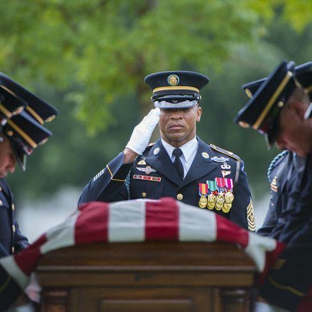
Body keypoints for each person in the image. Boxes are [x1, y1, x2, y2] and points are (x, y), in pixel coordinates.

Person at [79, 70, 255, 231]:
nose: (176, 116)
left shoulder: (228, 168)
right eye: (167, 109)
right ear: (156, 114)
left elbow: (245, 236)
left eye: (185, 109)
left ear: (199, 113)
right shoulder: (135, 165)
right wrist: (129, 153)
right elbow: (86, 207)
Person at [234, 60, 312, 311]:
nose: (278, 144)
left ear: (299, 111)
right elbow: (290, 222)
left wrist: (269, 288)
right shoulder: (303, 160)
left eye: (277, 131)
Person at [0, 72, 58, 311]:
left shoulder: (2, 186)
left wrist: (41, 266)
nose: (12, 166)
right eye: (12, 155)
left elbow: (15, 240)